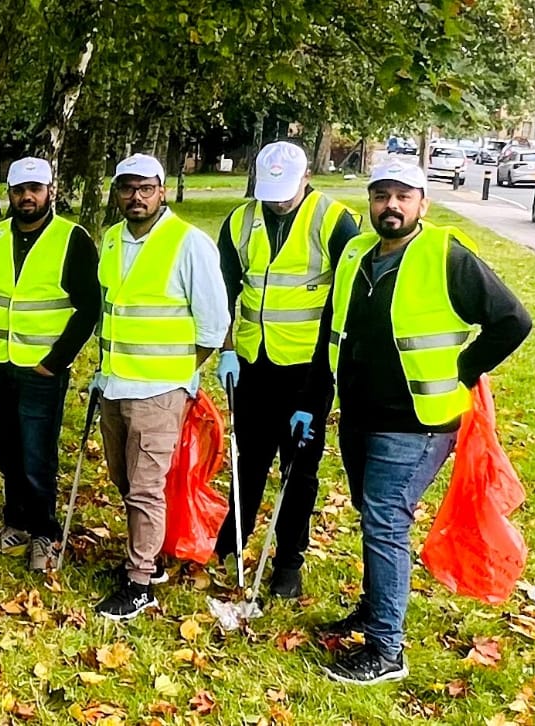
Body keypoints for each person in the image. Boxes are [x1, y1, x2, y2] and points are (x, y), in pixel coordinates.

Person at [301, 160, 529, 685]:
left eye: (404, 196)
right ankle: (375, 609)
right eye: (382, 196)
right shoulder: (356, 252)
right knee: (371, 514)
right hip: (359, 413)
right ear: (370, 202)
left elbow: (512, 321)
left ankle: (387, 648)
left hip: (418, 421)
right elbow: (330, 332)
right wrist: (313, 398)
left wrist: (463, 370)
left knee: (384, 521)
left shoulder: (443, 254)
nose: (392, 206)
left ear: (422, 203)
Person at [212, 141, 360, 598]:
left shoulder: (334, 221)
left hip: (309, 370)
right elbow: (224, 292)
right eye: (269, 189)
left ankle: (288, 563)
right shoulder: (240, 221)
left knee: (298, 468)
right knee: (248, 460)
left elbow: (347, 297)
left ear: (307, 178)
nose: (277, 199)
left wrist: (326, 375)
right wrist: (227, 348)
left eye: (286, 190)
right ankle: (231, 543)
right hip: (254, 363)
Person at [91, 153, 229, 620]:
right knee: (124, 478)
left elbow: (212, 326)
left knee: (146, 486)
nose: (136, 197)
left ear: (161, 190)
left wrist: (178, 376)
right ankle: (150, 559)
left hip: (160, 388)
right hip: (114, 383)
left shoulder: (189, 243)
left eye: (145, 188)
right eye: (128, 188)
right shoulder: (111, 240)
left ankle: (139, 581)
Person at [0, 158, 100, 571]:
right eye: (20, 190)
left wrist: (55, 361)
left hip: (41, 369)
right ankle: (16, 524)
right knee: (7, 451)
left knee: (38, 455)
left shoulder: (70, 238)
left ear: (50, 191)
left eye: (35, 189)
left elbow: (88, 307)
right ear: (9, 193)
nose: (28, 197)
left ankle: (44, 532)